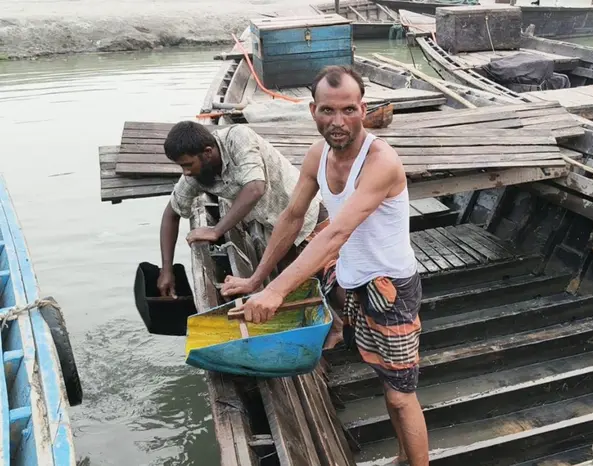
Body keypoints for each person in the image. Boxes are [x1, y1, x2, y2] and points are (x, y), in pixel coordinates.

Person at [221, 65, 429, 466]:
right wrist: (256, 279)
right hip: (354, 283)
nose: (338, 121)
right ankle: (405, 456)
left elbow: (336, 234)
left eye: (349, 110)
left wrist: (276, 291)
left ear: (363, 109)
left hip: (391, 290)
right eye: (328, 110)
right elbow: (292, 217)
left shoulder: (381, 162)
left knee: (401, 395)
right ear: (313, 110)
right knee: (384, 381)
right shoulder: (318, 155)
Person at [156, 121, 326, 297]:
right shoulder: (196, 175)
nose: (185, 172)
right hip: (280, 237)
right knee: (296, 293)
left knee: (331, 284)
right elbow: (171, 214)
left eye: (188, 165)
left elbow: (255, 188)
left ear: (207, 153)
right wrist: (167, 270)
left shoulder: (237, 137)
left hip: (311, 221)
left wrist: (216, 230)